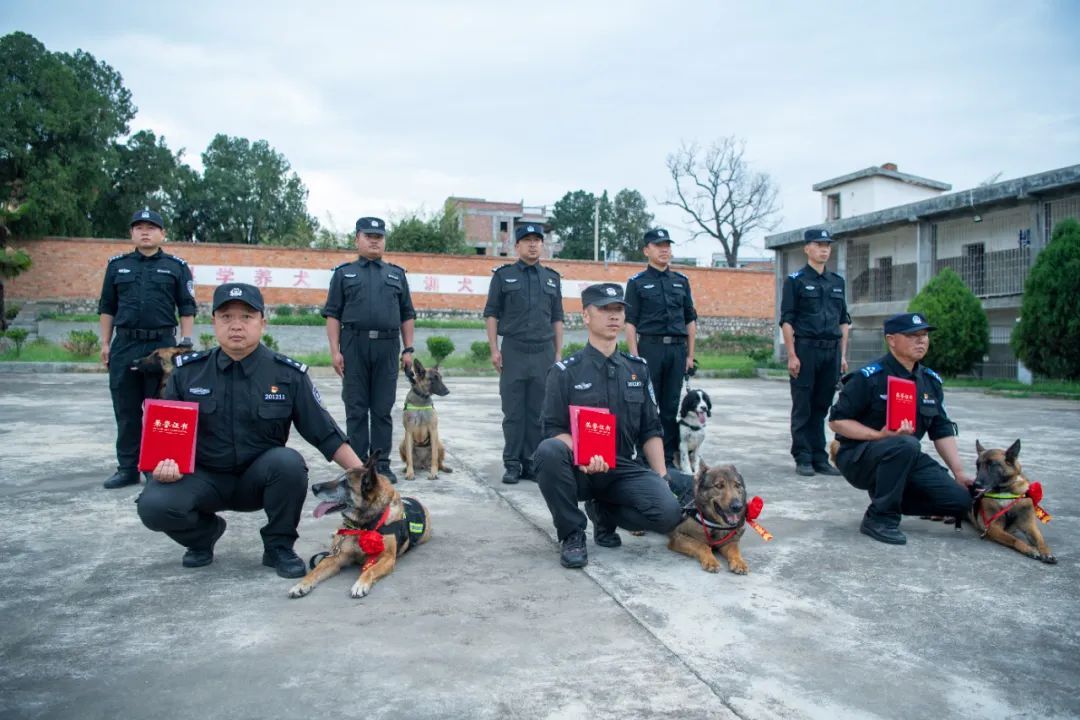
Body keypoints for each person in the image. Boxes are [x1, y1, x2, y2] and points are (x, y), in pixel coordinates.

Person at [136, 283, 365, 578]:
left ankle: (278, 546)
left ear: (262, 322)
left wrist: (367, 478)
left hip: (258, 480)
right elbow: (164, 437)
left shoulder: (287, 375)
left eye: (246, 317)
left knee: (289, 462)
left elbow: (325, 433)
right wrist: (162, 466)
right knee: (153, 504)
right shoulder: (188, 372)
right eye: (227, 317)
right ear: (214, 323)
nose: (236, 326)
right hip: (203, 479)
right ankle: (202, 536)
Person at [533, 283, 683, 569]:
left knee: (668, 514)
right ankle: (572, 534)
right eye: (605, 309)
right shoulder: (565, 372)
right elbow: (553, 429)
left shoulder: (637, 369)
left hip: (624, 469)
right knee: (547, 452)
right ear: (586, 316)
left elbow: (651, 429)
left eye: (618, 310)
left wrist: (663, 477)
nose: (614, 316)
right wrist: (585, 454)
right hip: (581, 469)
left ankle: (604, 513)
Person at [827, 312, 974, 545]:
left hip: (906, 456)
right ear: (891, 340)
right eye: (913, 335)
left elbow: (941, 428)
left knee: (960, 502)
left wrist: (958, 472)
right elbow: (836, 421)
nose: (921, 341)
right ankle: (880, 517)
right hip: (859, 457)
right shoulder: (869, 377)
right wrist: (879, 435)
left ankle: (889, 497)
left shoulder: (930, 381)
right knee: (905, 443)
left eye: (924, 335)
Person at [97, 208, 196, 489]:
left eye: (151, 227)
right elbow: (107, 308)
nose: (145, 231)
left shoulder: (176, 267)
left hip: (161, 345)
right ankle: (127, 468)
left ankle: (156, 466)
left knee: (162, 410)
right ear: (131, 233)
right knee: (126, 410)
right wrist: (105, 343)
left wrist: (185, 343)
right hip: (125, 344)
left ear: (162, 233)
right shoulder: (117, 266)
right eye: (139, 227)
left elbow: (187, 307)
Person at [321, 216, 416, 483]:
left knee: (383, 408)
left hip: (387, 347)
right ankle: (359, 464)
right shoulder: (343, 274)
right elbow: (333, 315)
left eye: (379, 236)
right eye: (368, 236)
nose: (374, 240)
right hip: (354, 345)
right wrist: (334, 351)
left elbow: (407, 313)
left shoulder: (396, 275)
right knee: (356, 407)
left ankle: (381, 463)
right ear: (357, 239)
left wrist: (408, 348)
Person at [484, 223, 565, 484]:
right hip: (514, 350)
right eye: (527, 240)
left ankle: (531, 463)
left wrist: (558, 353)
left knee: (538, 412)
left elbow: (557, 318)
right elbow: (492, 313)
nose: (533, 245)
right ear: (516, 246)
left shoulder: (552, 278)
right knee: (514, 411)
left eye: (537, 240)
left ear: (543, 245)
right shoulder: (503, 276)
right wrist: (494, 349)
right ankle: (512, 464)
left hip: (543, 351)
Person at [780, 228, 850, 477]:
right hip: (806, 349)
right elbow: (787, 320)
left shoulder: (837, 282)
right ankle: (803, 456)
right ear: (807, 248)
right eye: (818, 244)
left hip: (830, 351)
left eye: (827, 245)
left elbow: (844, 321)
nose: (824, 249)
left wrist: (842, 355)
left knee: (822, 406)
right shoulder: (796, 281)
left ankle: (820, 457)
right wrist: (791, 354)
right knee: (803, 406)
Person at [624, 228, 697, 468]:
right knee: (647, 406)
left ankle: (666, 459)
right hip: (650, 350)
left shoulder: (681, 282)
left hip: (676, 351)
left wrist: (690, 355)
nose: (664, 249)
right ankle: (645, 457)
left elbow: (690, 319)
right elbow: (630, 322)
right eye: (658, 245)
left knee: (670, 407)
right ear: (647, 250)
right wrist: (635, 358)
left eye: (667, 245)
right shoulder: (637, 283)